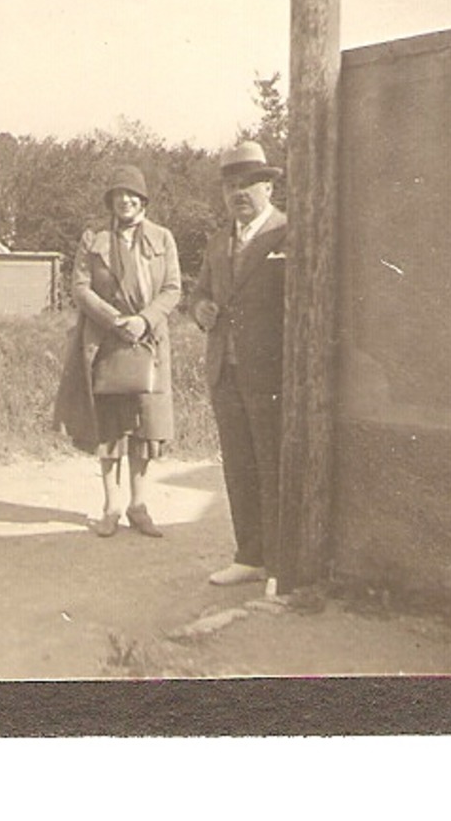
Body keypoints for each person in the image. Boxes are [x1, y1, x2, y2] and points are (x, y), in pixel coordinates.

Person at [53, 167, 182, 538]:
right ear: (110, 201)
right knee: (109, 426)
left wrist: (143, 320)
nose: (125, 201)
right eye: (118, 195)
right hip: (107, 341)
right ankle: (110, 505)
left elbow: (173, 288)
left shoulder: (163, 238)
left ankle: (138, 505)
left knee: (146, 426)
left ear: (143, 201)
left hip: (149, 341)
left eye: (132, 196)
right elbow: (80, 288)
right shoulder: (94, 239)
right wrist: (115, 320)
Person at [189, 141, 288, 596]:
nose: (239, 193)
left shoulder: (288, 235)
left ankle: (280, 566)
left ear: (269, 185)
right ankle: (248, 556)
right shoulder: (216, 241)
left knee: (273, 467)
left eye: (249, 183)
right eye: (231, 186)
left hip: (271, 375)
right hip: (224, 372)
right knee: (238, 468)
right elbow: (199, 294)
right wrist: (201, 308)